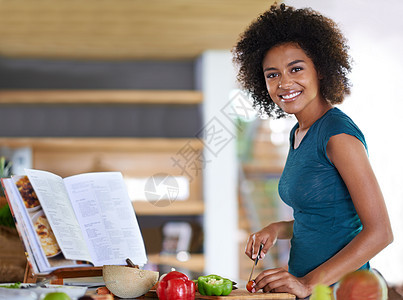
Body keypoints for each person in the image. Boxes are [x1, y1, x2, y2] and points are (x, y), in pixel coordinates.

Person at [233, 3, 393, 298]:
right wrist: (276, 228)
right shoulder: (299, 133)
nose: (284, 82)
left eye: (296, 69)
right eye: (272, 74)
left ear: (320, 69)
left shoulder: (337, 135)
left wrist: (307, 283)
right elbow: (324, 219)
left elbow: (380, 232)